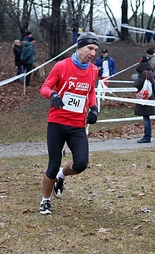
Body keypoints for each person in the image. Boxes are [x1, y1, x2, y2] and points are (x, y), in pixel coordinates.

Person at [38, 32, 100, 215]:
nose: (93, 53)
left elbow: (90, 91)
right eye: (90, 48)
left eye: (95, 49)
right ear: (79, 47)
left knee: (81, 163)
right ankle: (45, 201)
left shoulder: (93, 70)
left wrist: (94, 108)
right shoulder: (62, 66)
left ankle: (61, 176)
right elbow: (45, 87)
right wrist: (53, 95)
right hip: (57, 122)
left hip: (77, 125)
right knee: (53, 163)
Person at [133, 56, 155, 143]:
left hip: (145, 98)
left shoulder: (144, 73)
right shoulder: (149, 72)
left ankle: (147, 136)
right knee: (146, 117)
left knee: (146, 118)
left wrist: (135, 79)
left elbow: (138, 85)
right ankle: (147, 135)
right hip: (149, 97)